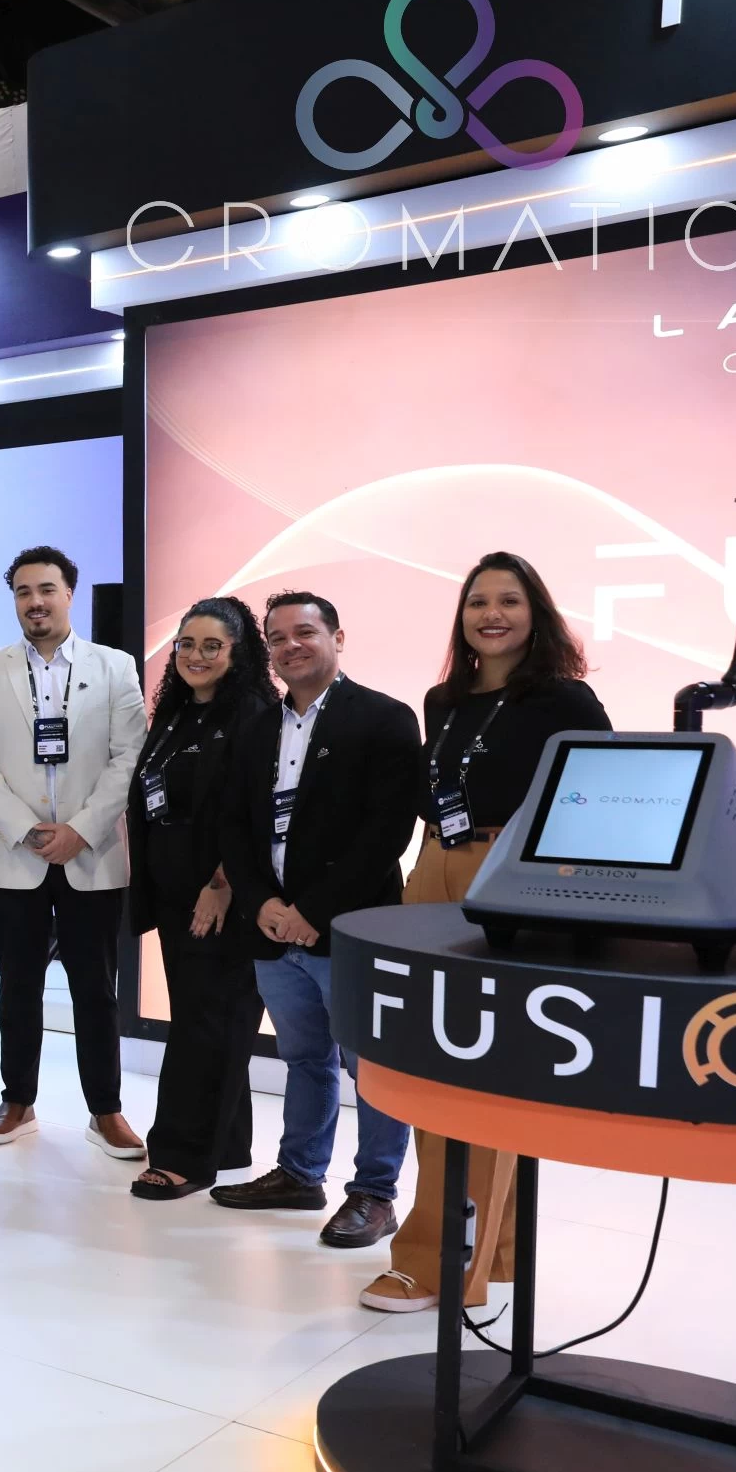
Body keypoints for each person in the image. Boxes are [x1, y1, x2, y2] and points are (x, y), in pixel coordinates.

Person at [361, 554, 609, 1312]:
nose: (491, 615)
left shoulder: (565, 699)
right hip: (431, 870)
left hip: (510, 882)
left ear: (537, 613)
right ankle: (491, 1252)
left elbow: (595, 802)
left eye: (508, 600)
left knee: (487, 1076)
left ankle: (435, 1260)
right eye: (477, 602)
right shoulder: (443, 700)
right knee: (430, 1066)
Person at [212, 593, 422, 1241]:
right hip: (273, 931)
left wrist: (314, 911)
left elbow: (386, 831)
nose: (290, 646)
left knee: (373, 1068)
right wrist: (261, 903)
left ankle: (375, 1193)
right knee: (304, 1059)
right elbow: (234, 825)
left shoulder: (384, 718)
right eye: (277, 638)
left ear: (337, 636)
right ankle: (300, 1174)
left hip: (350, 929)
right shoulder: (256, 727)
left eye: (304, 632)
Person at [0, 547, 148, 1156]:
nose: (34, 602)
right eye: (23, 592)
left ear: (69, 594)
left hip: (92, 853)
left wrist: (80, 830)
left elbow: (128, 757)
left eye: (45, 590)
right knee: (18, 986)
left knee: (96, 989)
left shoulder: (114, 666)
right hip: (17, 854)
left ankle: (106, 1111)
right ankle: (17, 1101)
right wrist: (27, 828)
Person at [124, 600, 277, 1198]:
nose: (195, 655)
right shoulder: (177, 712)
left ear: (239, 652)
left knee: (206, 1027)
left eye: (212, 645)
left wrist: (221, 885)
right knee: (206, 1019)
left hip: (222, 900)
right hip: (174, 897)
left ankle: (183, 1156)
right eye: (186, 644)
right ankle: (228, 1144)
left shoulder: (255, 714)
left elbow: (255, 814)